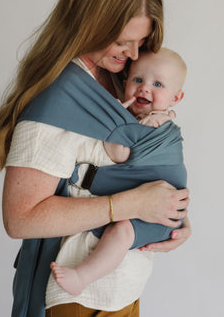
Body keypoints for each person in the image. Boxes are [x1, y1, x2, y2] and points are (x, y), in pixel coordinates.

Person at [0, 0, 191, 317]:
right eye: (121, 41)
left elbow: (134, 170)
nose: (133, 55)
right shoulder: (56, 102)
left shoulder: (119, 81)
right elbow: (20, 219)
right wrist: (135, 205)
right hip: (77, 300)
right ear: (87, 24)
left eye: (140, 41)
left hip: (123, 288)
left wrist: (171, 215)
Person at [50, 48, 187, 297]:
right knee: (121, 230)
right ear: (125, 84)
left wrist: (116, 120)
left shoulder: (153, 124)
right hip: (162, 208)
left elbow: (118, 154)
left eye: (157, 84)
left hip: (159, 216)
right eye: (137, 80)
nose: (145, 88)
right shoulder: (155, 120)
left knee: (121, 231)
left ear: (176, 98)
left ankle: (82, 276)